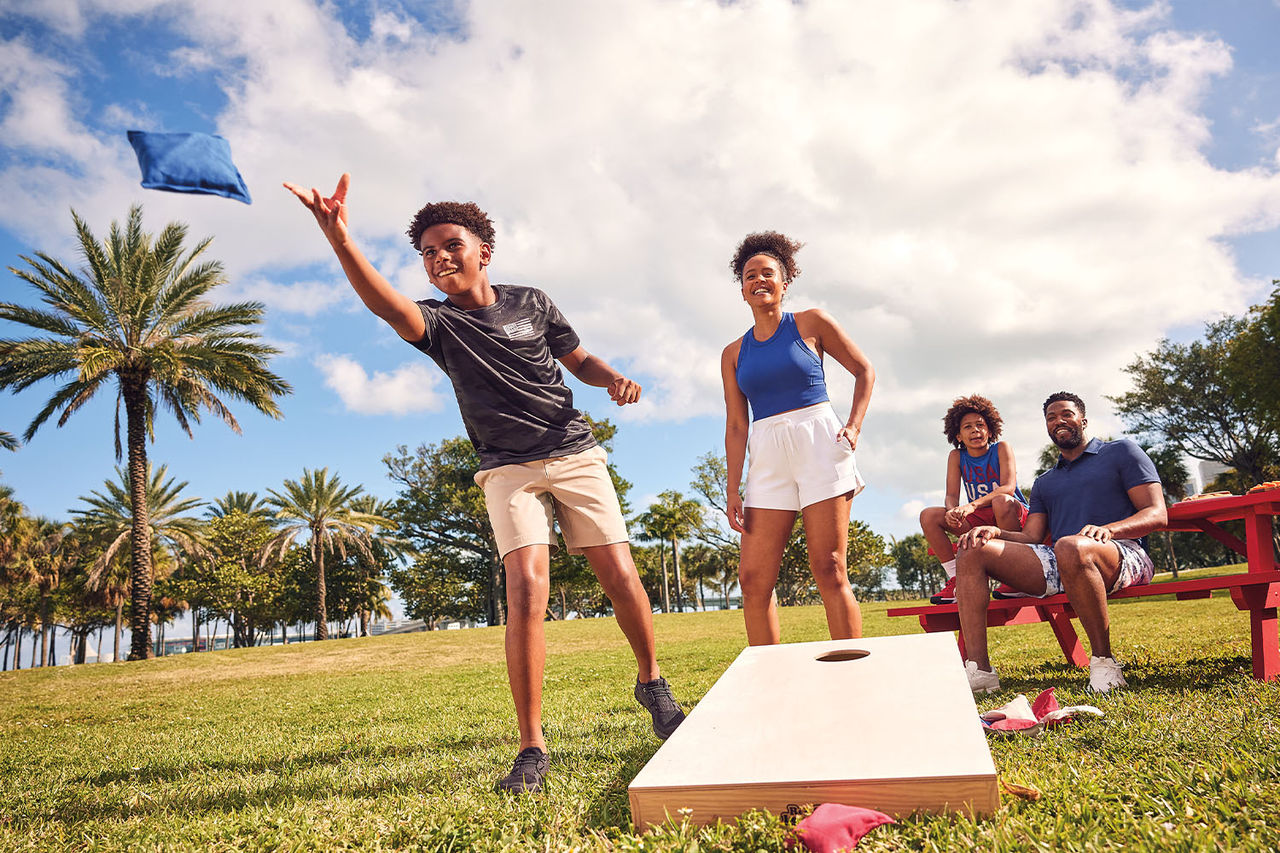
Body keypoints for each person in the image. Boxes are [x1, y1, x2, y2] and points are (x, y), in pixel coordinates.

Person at [283, 174, 684, 794]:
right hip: (506, 467)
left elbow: (578, 360)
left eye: (451, 245)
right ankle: (532, 748)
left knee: (620, 576)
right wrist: (339, 239)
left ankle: (651, 682)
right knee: (525, 587)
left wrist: (613, 379)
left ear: (482, 251)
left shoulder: (533, 302)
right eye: (428, 252)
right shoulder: (438, 326)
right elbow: (383, 302)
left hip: (573, 451)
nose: (439, 258)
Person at [954, 391, 1166, 694]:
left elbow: (1157, 514)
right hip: (1062, 559)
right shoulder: (1046, 481)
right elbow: (1031, 538)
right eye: (1051, 418)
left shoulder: (1121, 452)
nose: (1059, 421)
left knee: (1071, 545)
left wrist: (1108, 530)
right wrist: (994, 532)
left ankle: (1104, 664)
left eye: (1066, 414)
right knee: (972, 549)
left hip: (1123, 553)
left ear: (1083, 419)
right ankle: (980, 673)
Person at [720, 231, 875, 645]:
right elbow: (737, 425)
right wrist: (734, 487)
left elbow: (864, 371)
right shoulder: (733, 353)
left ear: (784, 282)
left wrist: (855, 425)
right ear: (742, 290)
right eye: (750, 275)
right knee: (753, 580)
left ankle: (849, 672)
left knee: (829, 568)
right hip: (767, 455)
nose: (759, 280)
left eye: (768, 273)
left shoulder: (812, 323)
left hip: (820, 444)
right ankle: (769, 682)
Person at [919, 395, 1029, 604]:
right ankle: (956, 579)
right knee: (929, 515)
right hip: (979, 518)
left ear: (990, 430)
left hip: (1011, 515)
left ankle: (1017, 577)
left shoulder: (1001, 448)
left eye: (980, 425)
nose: (975, 430)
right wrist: (953, 511)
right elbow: (951, 496)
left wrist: (970, 506)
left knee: (1001, 501)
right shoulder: (956, 456)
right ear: (959, 436)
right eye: (968, 427)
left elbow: (1008, 487)